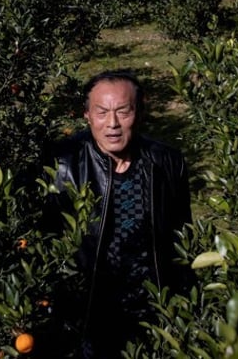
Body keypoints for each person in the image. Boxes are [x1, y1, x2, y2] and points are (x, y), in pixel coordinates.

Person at [46, 69, 192, 358]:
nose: (112, 123)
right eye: (101, 112)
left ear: (140, 111)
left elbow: (182, 239)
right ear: (87, 115)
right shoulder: (61, 162)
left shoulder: (166, 162)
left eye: (123, 111)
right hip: (87, 313)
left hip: (153, 310)